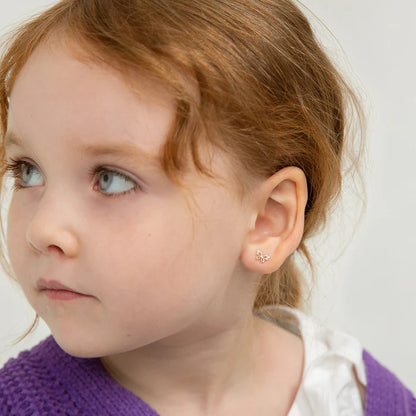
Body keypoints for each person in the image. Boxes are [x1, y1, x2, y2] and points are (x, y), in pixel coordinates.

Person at [0, 0, 414, 415]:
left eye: (111, 179)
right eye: (27, 171)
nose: (42, 228)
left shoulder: (356, 399)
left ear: (267, 220)